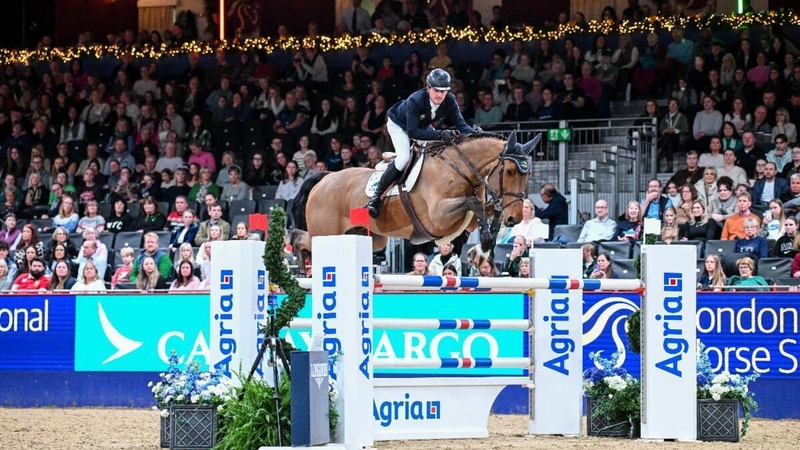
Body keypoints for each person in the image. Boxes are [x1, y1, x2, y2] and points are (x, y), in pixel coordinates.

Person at [365, 68, 475, 218]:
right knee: (404, 158)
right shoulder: (415, 100)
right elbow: (413, 132)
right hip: (400, 125)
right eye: (436, 90)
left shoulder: (449, 100)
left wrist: (475, 134)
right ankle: (375, 198)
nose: (440, 95)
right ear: (428, 88)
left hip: (421, 125)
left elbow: (462, 125)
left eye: (444, 91)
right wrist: (440, 134)